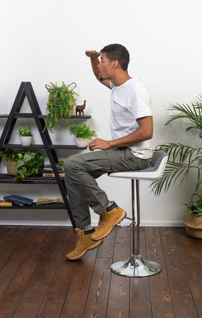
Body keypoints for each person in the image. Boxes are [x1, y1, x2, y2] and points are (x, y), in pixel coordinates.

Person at [64, 43, 153, 260]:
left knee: (72, 165)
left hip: (134, 156)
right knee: (73, 173)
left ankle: (109, 211)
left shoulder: (135, 90)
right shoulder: (118, 86)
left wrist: (109, 143)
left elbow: (147, 131)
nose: (100, 67)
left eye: (102, 61)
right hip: (123, 152)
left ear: (114, 63)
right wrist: (93, 58)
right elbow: (99, 77)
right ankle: (85, 232)